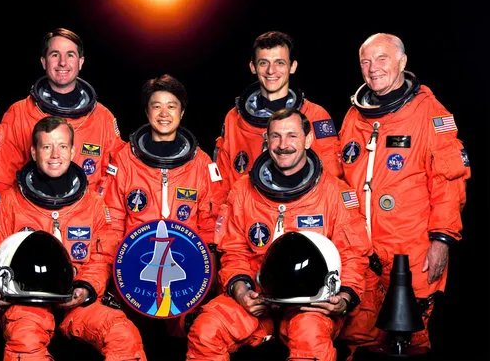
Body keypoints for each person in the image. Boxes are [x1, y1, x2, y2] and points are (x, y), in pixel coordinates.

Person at [186, 109, 371, 361]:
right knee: (206, 330)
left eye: (292, 136)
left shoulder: (335, 193)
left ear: (307, 140)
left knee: (309, 336)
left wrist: (345, 297)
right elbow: (234, 251)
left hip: (311, 302)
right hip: (256, 297)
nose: (283, 145)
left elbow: (353, 255)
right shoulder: (243, 190)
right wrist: (241, 291)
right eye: (276, 136)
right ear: (267, 140)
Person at [338, 33, 470, 356]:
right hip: (363, 253)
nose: (373, 69)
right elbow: (339, 180)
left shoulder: (430, 113)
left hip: (412, 252)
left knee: (410, 340)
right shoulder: (355, 116)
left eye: (382, 59)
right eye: (366, 62)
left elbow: (449, 180)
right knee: (360, 339)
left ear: (402, 62)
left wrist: (442, 240)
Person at [0, 115, 147, 361]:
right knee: (25, 339)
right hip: (26, 301)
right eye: (47, 147)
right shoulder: (11, 201)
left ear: (73, 151)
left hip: (75, 298)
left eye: (62, 146)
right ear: (34, 152)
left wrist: (86, 288)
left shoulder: (93, 204)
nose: (55, 154)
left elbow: (101, 256)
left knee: (123, 334)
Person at [102, 74, 225, 348]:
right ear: (146, 111)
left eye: (172, 106)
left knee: (180, 346)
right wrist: (113, 280)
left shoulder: (201, 163)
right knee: (132, 341)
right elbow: (111, 223)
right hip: (130, 272)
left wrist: (205, 283)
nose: (164, 113)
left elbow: (210, 227)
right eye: (156, 106)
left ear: (182, 112)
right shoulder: (124, 160)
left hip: (188, 274)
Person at [0, 27, 123, 200]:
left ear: (81, 62)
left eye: (70, 55)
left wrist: (98, 215)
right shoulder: (20, 113)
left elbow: (115, 178)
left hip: (85, 221)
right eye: (55, 55)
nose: (62, 62)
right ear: (44, 62)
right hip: (30, 218)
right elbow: (2, 180)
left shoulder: (103, 119)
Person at [214, 31, 343, 193]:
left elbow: (332, 175)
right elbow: (221, 181)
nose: (271, 71)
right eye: (263, 63)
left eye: (280, 63)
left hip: (299, 210)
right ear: (253, 67)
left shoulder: (316, 115)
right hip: (245, 212)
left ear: (293, 66)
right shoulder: (234, 119)